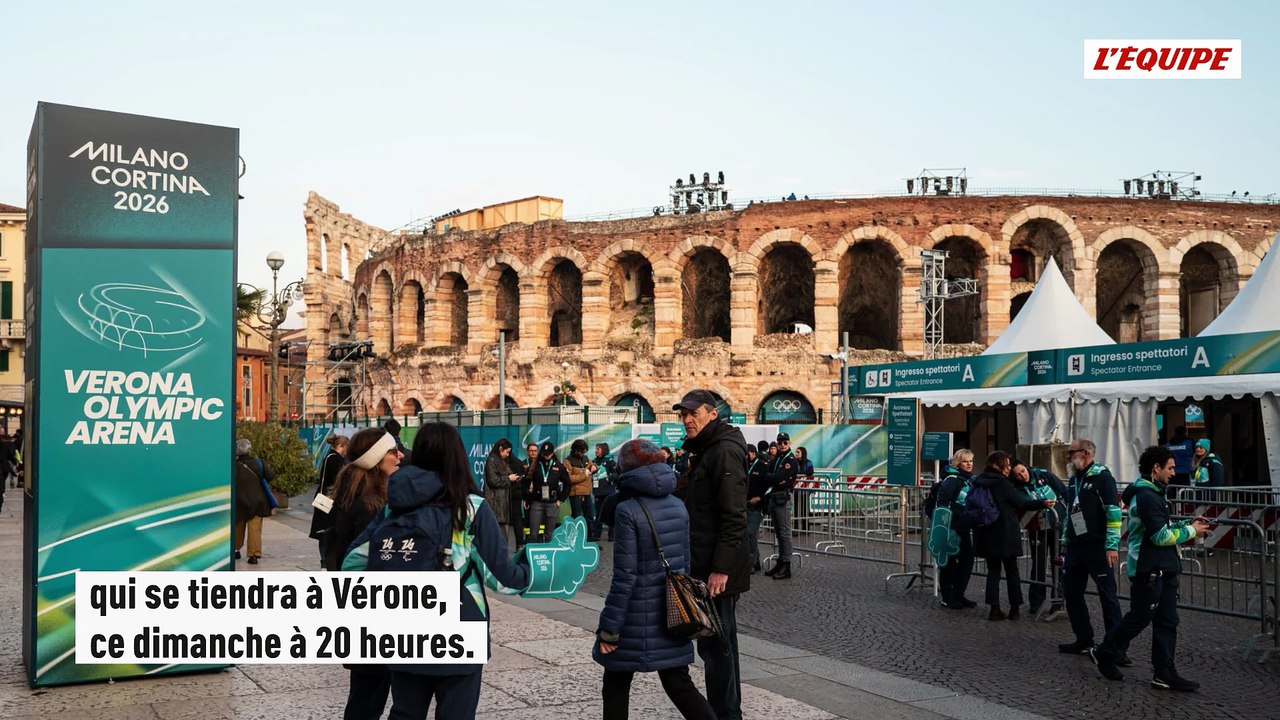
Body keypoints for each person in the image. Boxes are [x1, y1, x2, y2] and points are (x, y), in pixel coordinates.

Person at [381, 423, 532, 719]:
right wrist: (535, 572)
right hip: (461, 624)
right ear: (458, 456)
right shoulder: (471, 506)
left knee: (405, 712)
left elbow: (354, 561)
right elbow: (502, 575)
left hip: (403, 623)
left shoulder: (394, 504)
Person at [593, 439, 717, 720]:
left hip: (635, 616)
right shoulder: (677, 505)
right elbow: (684, 565)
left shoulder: (627, 510)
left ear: (626, 471)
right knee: (679, 682)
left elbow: (625, 577)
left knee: (615, 681)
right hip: (672, 612)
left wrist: (610, 629)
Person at [1090, 446, 1213, 691]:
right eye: (1170, 468)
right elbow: (1159, 536)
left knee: (1167, 621)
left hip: (1164, 567)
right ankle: (1105, 651)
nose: (1174, 473)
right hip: (1149, 568)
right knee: (1139, 617)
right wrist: (1192, 531)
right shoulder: (1146, 496)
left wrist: (1188, 523)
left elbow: (1158, 526)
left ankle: (1164, 673)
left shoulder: (1152, 493)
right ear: (1155, 469)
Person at [673, 389, 749, 720]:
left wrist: (721, 569)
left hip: (717, 571)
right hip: (705, 564)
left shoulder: (724, 452)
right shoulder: (708, 450)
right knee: (716, 645)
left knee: (718, 647)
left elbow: (734, 516)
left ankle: (726, 714)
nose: (687, 419)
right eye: (683, 415)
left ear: (713, 414)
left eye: (693, 414)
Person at [327, 428, 401, 719]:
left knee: (365, 691)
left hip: (357, 609)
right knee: (370, 694)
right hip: (372, 612)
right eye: (392, 451)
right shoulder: (371, 507)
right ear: (375, 458)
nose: (399, 456)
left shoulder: (353, 494)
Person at [1058, 439, 1126, 661]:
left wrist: (1111, 545)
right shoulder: (1074, 479)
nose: (1068, 457)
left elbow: (1114, 513)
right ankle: (1083, 639)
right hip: (1076, 547)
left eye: (1071, 453)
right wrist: (1065, 539)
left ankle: (1116, 647)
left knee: (1108, 596)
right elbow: (1070, 511)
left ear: (1085, 453)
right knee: (1072, 594)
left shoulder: (1103, 478)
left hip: (1098, 548)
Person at [972, 451, 1056, 621]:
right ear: (996, 465)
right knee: (1012, 570)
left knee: (993, 570)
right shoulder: (1002, 483)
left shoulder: (978, 481)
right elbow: (1022, 502)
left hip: (986, 531)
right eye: (1006, 465)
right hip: (1004, 530)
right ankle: (1015, 608)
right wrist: (1042, 503)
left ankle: (994, 609)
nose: (1009, 469)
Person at [1011, 459, 1067, 614]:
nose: (1022, 476)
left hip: (1057, 525)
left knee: (1059, 563)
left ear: (1025, 467)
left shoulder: (1044, 475)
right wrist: (1040, 503)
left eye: (1022, 471)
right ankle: (1036, 602)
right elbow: (1022, 503)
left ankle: (1059, 599)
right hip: (1037, 528)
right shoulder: (1017, 487)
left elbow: (1063, 491)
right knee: (1038, 564)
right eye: (1017, 475)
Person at [934, 449, 976, 609]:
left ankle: (959, 593)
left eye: (971, 461)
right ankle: (947, 596)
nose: (969, 464)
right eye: (966, 461)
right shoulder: (952, 480)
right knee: (950, 562)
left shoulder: (969, 480)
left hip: (964, 526)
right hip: (951, 526)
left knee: (967, 560)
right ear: (959, 463)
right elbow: (943, 501)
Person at [234, 439, 277, 565]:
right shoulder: (259, 463)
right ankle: (253, 555)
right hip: (257, 501)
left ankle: (235, 550)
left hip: (239, 501)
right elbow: (270, 476)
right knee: (255, 529)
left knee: (237, 527)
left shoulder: (234, 466)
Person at [310, 434, 349, 566]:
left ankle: (325, 561)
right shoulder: (335, 459)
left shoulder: (330, 457)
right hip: (329, 500)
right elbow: (335, 480)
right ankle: (325, 562)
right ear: (341, 446)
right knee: (327, 532)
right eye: (346, 448)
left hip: (326, 498)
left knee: (325, 532)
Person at [763, 432, 797, 580]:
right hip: (775, 495)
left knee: (784, 533)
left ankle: (786, 565)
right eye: (780, 442)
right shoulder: (778, 458)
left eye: (784, 442)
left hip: (783, 497)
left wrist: (773, 478)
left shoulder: (790, 459)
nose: (782, 445)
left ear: (789, 443)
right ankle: (780, 562)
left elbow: (778, 477)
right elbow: (768, 474)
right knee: (778, 532)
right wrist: (773, 478)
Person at [523, 440, 569, 543]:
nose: (547, 456)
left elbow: (567, 483)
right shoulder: (535, 465)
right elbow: (526, 481)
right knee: (533, 534)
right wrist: (527, 498)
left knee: (549, 535)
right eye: (544, 454)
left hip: (552, 502)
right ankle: (533, 556)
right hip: (537, 502)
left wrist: (561, 499)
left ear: (553, 453)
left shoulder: (558, 465)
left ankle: (549, 556)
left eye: (549, 454)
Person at [483, 439, 521, 550]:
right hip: (495, 504)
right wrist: (509, 478)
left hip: (503, 506)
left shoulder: (502, 461)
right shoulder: (492, 461)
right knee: (497, 536)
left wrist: (514, 478)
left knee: (504, 537)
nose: (507, 455)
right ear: (500, 449)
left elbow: (507, 476)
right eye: (507, 452)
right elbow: (493, 481)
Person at [744, 444, 769, 574]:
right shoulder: (744, 466)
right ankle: (756, 561)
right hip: (745, 505)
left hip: (756, 507)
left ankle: (751, 563)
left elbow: (768, 486)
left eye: (746, 454)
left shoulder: (762, 466)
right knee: (748, 535)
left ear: (752, 453)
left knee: (750, 533)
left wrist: (759, 497)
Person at [566, 439, 597, 534]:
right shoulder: (568, 461)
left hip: (587, 493)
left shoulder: (586, 458)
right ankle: (576, 538)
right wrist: (584, 476)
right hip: (576, 494)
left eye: (584, 452)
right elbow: (568, 479)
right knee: (576, 516)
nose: (583, 453)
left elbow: (593, 465)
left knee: (590, 516)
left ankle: (590, 538)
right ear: (575, 450)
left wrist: (595, 468)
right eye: (581, 451)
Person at [591, 442, 620, 541]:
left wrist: (609, 478)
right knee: (598, 514)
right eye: (596, 449)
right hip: (597, 492)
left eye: (598, 449)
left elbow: (617, 474)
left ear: (603, 450)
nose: (596, 451)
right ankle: (596, 534)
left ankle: (612, 535)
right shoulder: (594, 461)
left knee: (610, 513)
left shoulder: (610, 461)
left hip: (608, 492)